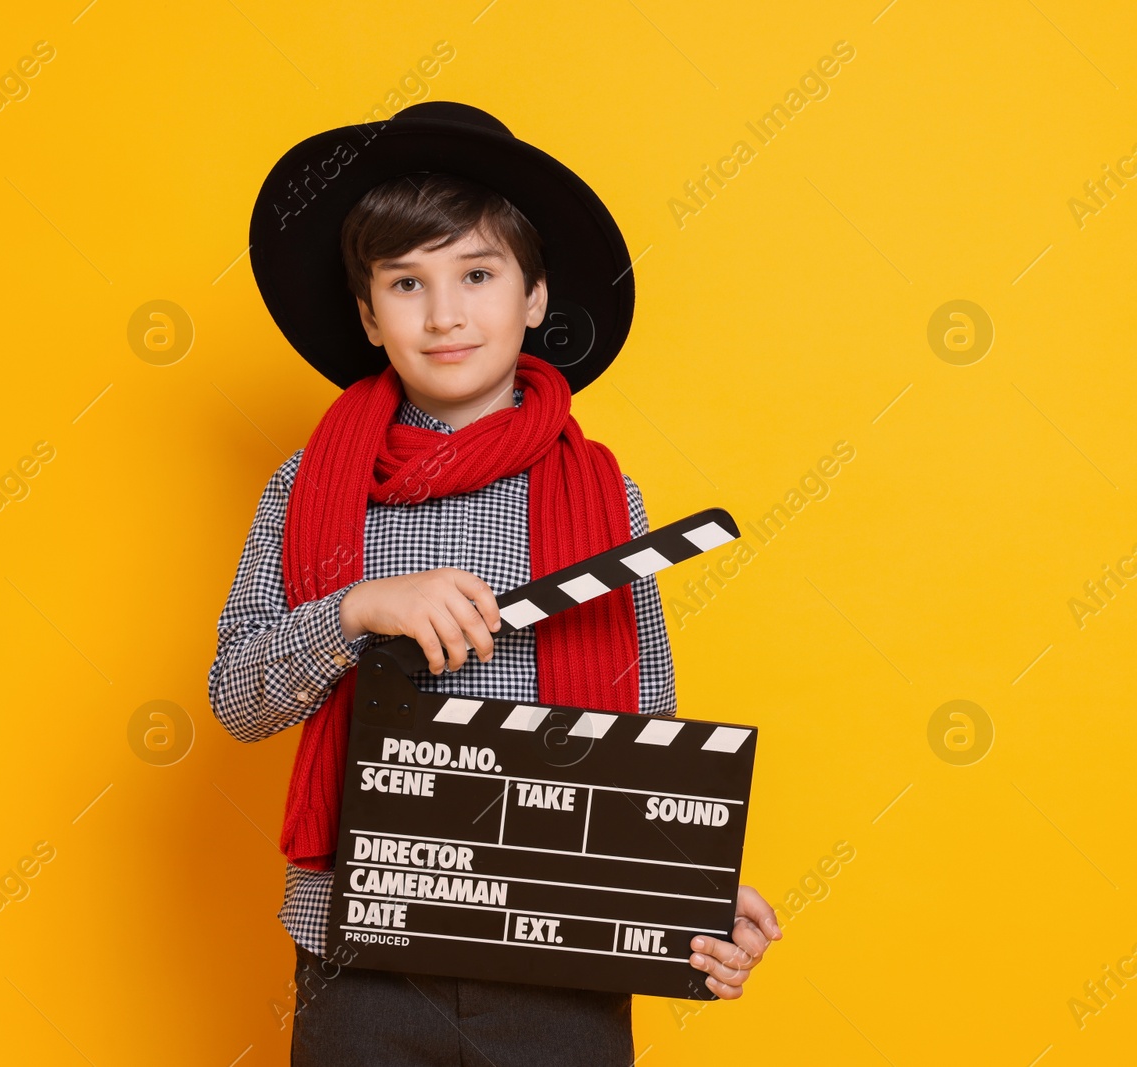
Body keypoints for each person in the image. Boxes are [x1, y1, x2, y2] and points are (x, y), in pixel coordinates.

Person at [208, 101, 779, 1066]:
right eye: (406, 282)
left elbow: (645, 728)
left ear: (534, 298)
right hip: (360, 950)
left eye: (477, 274)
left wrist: (687, 884)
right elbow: (237, 699)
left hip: (557, 954)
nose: (444, 314)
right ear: (366, 313)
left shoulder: (605, 497)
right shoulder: (308, 485)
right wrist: (352, 610)